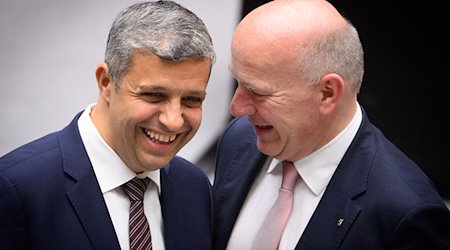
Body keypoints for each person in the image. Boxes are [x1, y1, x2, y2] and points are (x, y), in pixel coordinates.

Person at [212, 0, 450, 249]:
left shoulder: (404, 215)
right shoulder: (239, 139)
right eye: (237, 81)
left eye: (258, 92)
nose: (237, 108)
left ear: (327, 93)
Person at [0, 1, 216, 249]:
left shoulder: (195, 188)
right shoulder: (17, 190)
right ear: (106, 83)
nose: (173, 120)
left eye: (191, 100)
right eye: (154, 95)